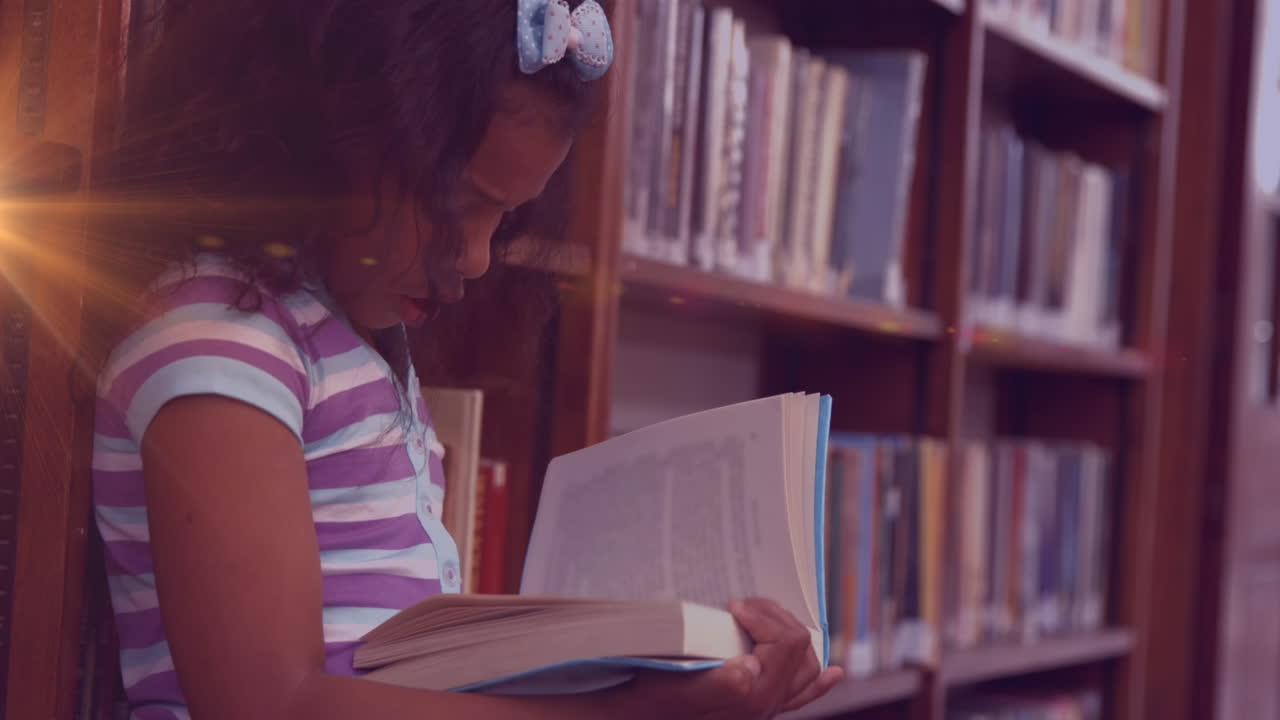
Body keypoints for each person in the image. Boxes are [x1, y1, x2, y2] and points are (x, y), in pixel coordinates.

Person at [90, 1, 844, 718]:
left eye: (508, 215)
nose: (481, 257)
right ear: (336, 133)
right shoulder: (222, 339)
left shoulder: (351, 341)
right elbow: (268, 705)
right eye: (460, 202)